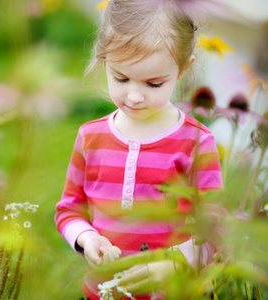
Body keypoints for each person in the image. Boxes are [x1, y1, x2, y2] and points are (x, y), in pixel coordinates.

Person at [54, 0, 223, 299]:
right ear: (103, 59)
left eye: (153, 83)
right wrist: (86, 237)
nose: (134, 96)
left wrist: (177, 262)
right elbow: (69, 209)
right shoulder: (89, 137)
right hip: (101, 293)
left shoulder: (196, 143)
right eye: (121, 78)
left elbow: (216, 229)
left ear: (184, 68)